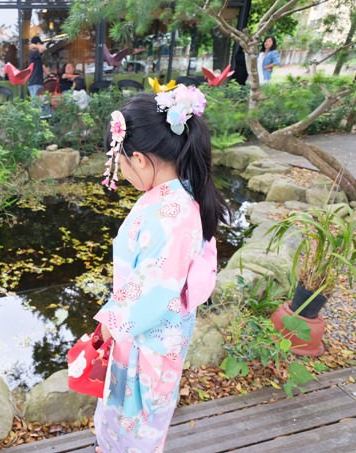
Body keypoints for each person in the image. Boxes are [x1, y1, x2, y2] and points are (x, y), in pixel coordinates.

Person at [92, 88, 228, 452]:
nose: (120, 171)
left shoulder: (171, 214)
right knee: (137, 425)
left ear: (138, 158)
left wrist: (108, 323)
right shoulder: (183, 195)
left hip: (145, 344)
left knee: (131, 431)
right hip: (156, 341)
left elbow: (156, 288)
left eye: (119, 162)